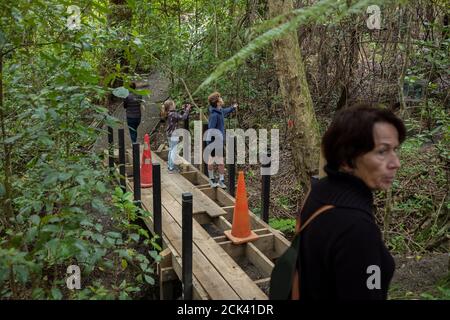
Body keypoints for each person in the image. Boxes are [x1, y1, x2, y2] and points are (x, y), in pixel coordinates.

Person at [296, 104, 406, 300]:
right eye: (382, 151)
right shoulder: (357, 228)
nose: (395, 163)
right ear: (346, 161)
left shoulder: (320, 190)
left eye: (394, 150)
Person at [206, 92, 237, 188]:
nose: (222, 99)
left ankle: (221, 180)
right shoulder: (214, 115)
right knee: (211, 160)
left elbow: (225, 111)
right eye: (220, 98)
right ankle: (211, 179)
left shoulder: (220, 111)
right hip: (213, 141)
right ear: (217, 102)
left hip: (219, 141)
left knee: (220, 162)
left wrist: (233, 107)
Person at [165, 99, 191, 173]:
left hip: (169, 134)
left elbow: (178, 115)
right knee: (173, 151)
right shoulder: (173, 114)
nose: (175, 105)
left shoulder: (170, 113)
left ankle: (170, 166)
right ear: (171, 106)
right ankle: (172, 168)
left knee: (171, 150)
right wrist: (187, 110)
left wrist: (183, 109)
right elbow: (183, 117)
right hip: (174, 134)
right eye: (174, 104)